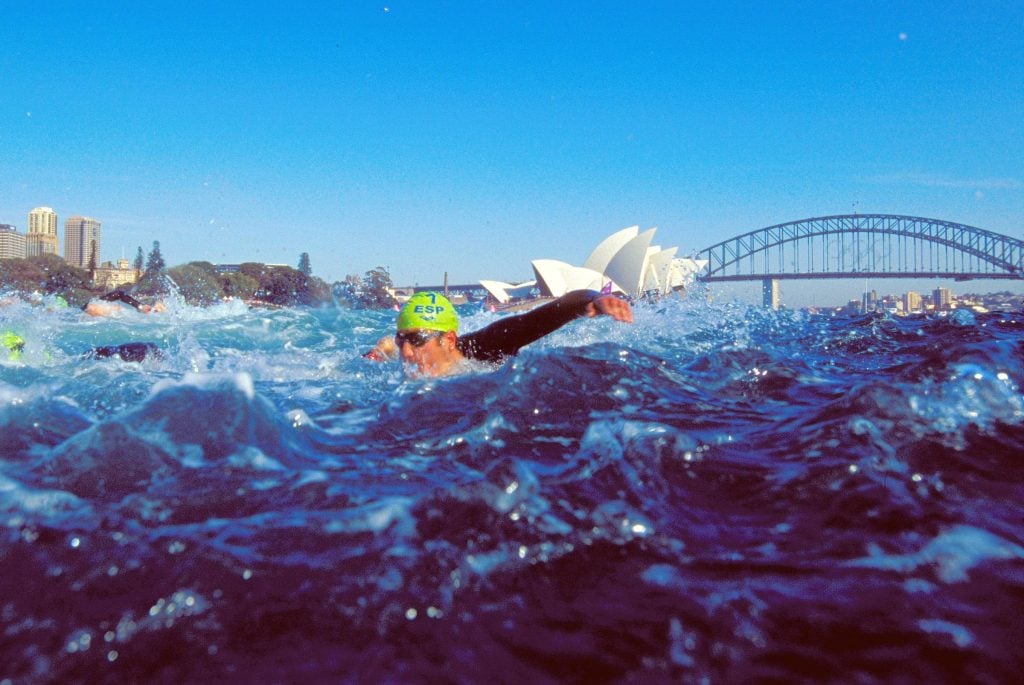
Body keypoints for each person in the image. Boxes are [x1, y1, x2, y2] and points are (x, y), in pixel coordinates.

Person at [369, 290, 633, 377]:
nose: (407, 352)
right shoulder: (416, 357)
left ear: (449, 340)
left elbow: (546, 315)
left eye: (416, 340)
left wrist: (595, 300)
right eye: (402, 340)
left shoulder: (490, 344)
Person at [83, 290, 166, 317]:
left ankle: (156, 309)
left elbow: (118, 293)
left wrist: (140, 306)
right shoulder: (88, 313)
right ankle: (156, 310)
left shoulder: (98, 303)